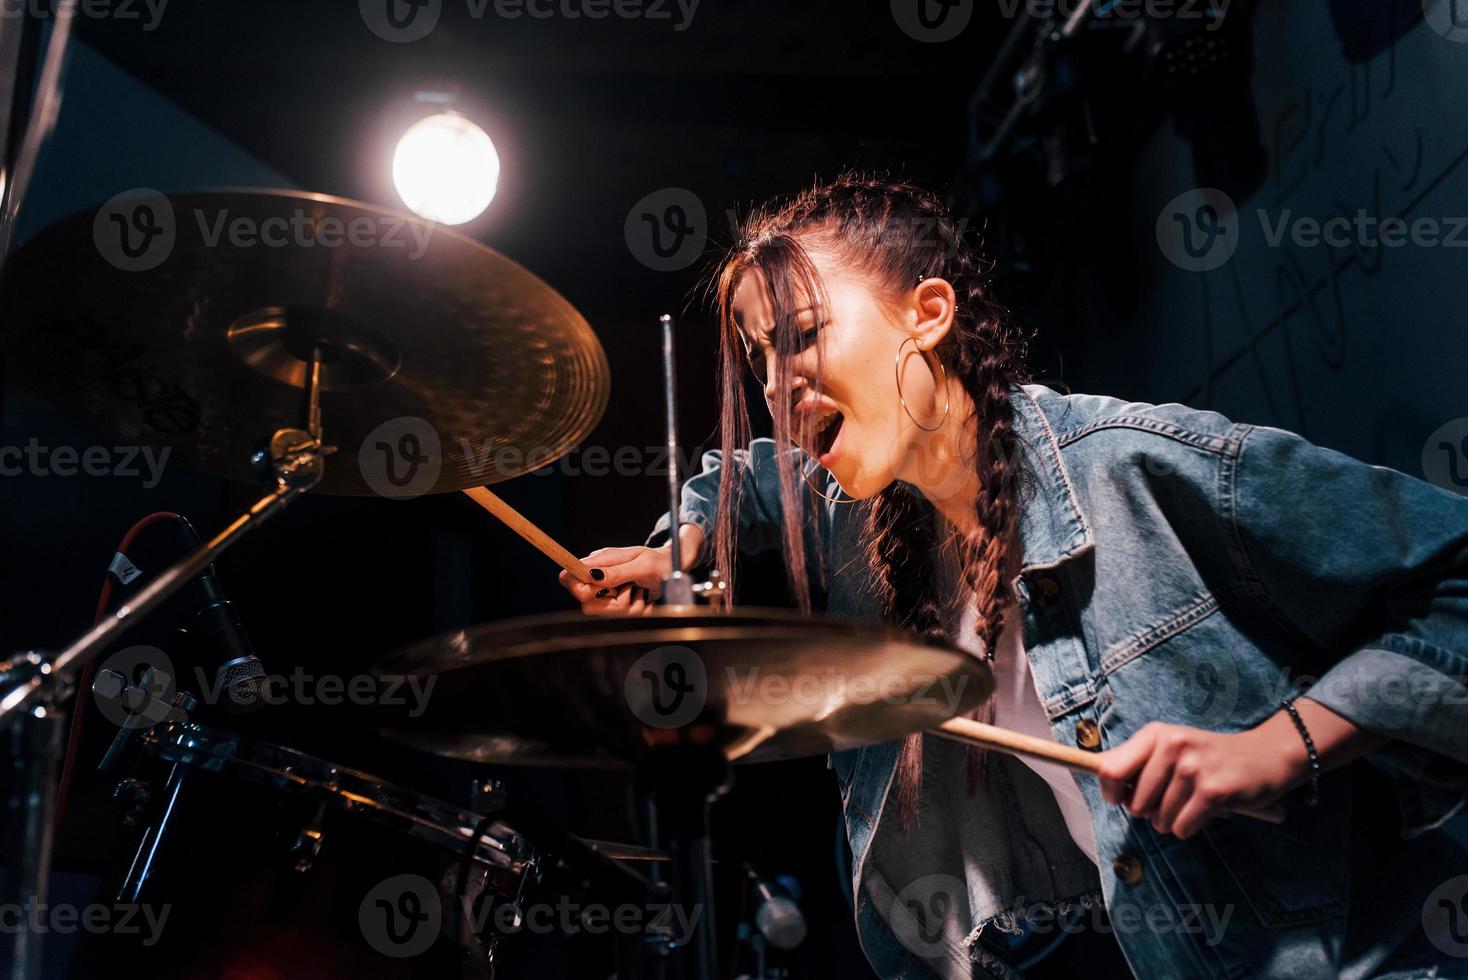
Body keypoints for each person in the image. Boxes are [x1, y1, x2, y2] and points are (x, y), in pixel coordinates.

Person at [558, 174, 1468, 978]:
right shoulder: (866, 504)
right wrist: (679, 540)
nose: (776, 382)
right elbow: (757, 480)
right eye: (759, 358)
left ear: (931, 313)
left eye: (800, 336)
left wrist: (1275, 746)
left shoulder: (1131, 465)